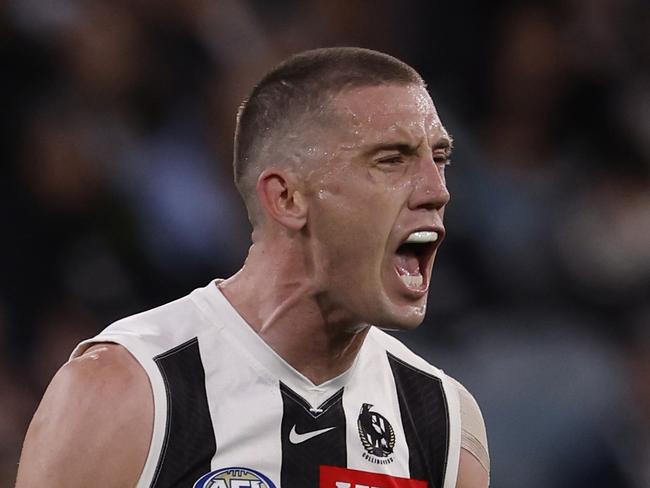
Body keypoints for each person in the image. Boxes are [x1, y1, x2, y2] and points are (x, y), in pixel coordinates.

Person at [16, 47, 489, 488]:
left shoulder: (443, 424)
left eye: (440, 158)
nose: (437, 190)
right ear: (286, 198)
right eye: (391, 160)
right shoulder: (126, 391)